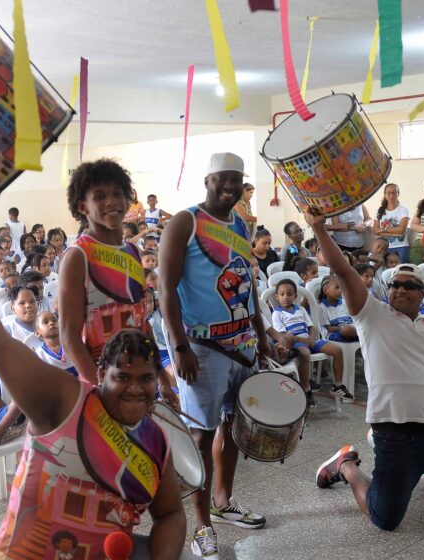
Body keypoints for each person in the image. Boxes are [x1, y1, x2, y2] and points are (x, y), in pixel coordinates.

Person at [0, 216, 191, 558]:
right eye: (122, 377)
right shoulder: (65, 401)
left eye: (145, 378)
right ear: (100, 373)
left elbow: (169, 514)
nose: (135, 389)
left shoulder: (155, 441)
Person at [305, 208, 424, 531]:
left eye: (410, 286)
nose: (400, 290)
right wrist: (319, 229)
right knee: (385, 519)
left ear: (423, 296)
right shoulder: (372, 315)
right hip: (394, 434)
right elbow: (341, 267)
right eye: (395, 285)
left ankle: (413, 466)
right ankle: (346, 464)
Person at [160, 152, 271, 558]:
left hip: (242, 345)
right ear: (207, 179)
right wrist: (180, 347)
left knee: (235, 428)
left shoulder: (240, 224)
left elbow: (248, 283)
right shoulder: (184, 222)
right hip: (201, 350)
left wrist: (260, 333)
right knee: (201, 436)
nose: (229, 187)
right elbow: (165, 290)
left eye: (236, 181)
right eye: (221, 180)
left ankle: (224, 502)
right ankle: (202, 524)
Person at [58, 159, 176, 404]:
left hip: (139, 377)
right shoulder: (78, 257)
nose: (110, 202)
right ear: (82, 206)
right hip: (101, 384)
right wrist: (103, 389)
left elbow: (142, 323)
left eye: (116, 194)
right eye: (99, 196)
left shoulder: (133, 252)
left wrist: (162, 380)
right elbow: (68, 336)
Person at [271, 278, 353, 404]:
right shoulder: (277, 314)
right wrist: (304, 340)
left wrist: (312, 338)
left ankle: (338, 385)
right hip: (296, 342)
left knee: (337, 350)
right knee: (305, 354)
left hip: (309, 339)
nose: (286, 297)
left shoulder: (301, 310)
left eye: (289, 294)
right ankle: (306, 389)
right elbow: (282, 336)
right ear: (277, 297)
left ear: (295, 296)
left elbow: (311, 327)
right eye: (282, 294)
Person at [373, 183, 410, 263]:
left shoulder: (404, 210)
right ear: (385, 195)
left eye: (394, 192)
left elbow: (401, 230)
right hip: (384, 248)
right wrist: (394, 233)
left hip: (401, 247)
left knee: (400, 271)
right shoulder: (379, 211)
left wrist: (383, 230)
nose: (391, 195)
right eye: (388, 193)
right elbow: (375, 231)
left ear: (398, 194)